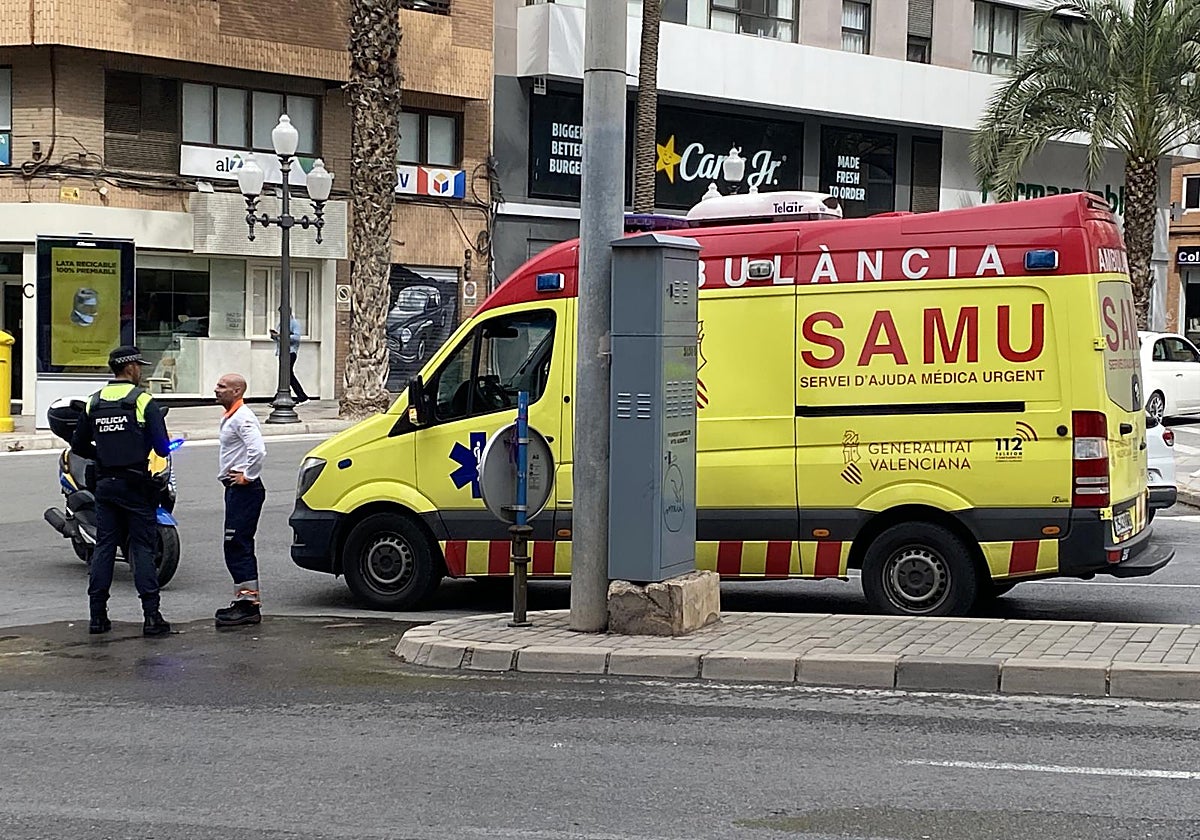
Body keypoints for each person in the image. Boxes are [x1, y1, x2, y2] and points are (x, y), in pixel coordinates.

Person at [70, 346, 172, 637]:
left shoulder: (94, 402)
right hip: (136, 485)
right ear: (129, 368)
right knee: (141, 548)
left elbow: (78, 445)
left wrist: (104, 454)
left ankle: (97, 618)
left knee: (104, 546)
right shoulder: (142, 401)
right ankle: (152, 617)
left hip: (105, 484)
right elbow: (163, 447)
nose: (141, 370)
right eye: (139, 366)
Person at [214, 373, 267, 627]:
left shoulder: (243, 417)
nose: (216, 390)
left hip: (244, 491)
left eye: (222, 387)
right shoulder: (231, 416)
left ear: (237, 392)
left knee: (237, 543)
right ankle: (244, 600)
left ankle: (248, 606)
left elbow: (258, 449)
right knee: (235, 543)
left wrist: (248, 476)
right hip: (235, 489)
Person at [270, 314, 309, 404]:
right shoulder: (281, 324)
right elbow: (279, 339)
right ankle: (297, 396)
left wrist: (283, 335)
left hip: (290, 352)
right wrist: (274, 336)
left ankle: (302, 396)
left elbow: (296, 337)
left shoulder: (294, 323)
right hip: (282, 353)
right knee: (286, 375)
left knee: (287, 375)